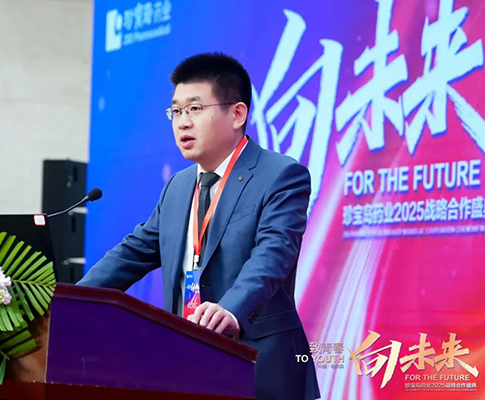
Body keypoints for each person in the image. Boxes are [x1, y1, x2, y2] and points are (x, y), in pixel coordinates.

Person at [77, 52, 320, 400]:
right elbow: (132, 253)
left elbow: (272, 256)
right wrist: (72, 301)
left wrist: (231, 308)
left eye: (194, 109)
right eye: (176, 111)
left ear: (237, 114)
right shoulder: (178, 186)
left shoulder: (280, 176)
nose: (182, 123)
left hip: (258, 366)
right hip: (186, 365)